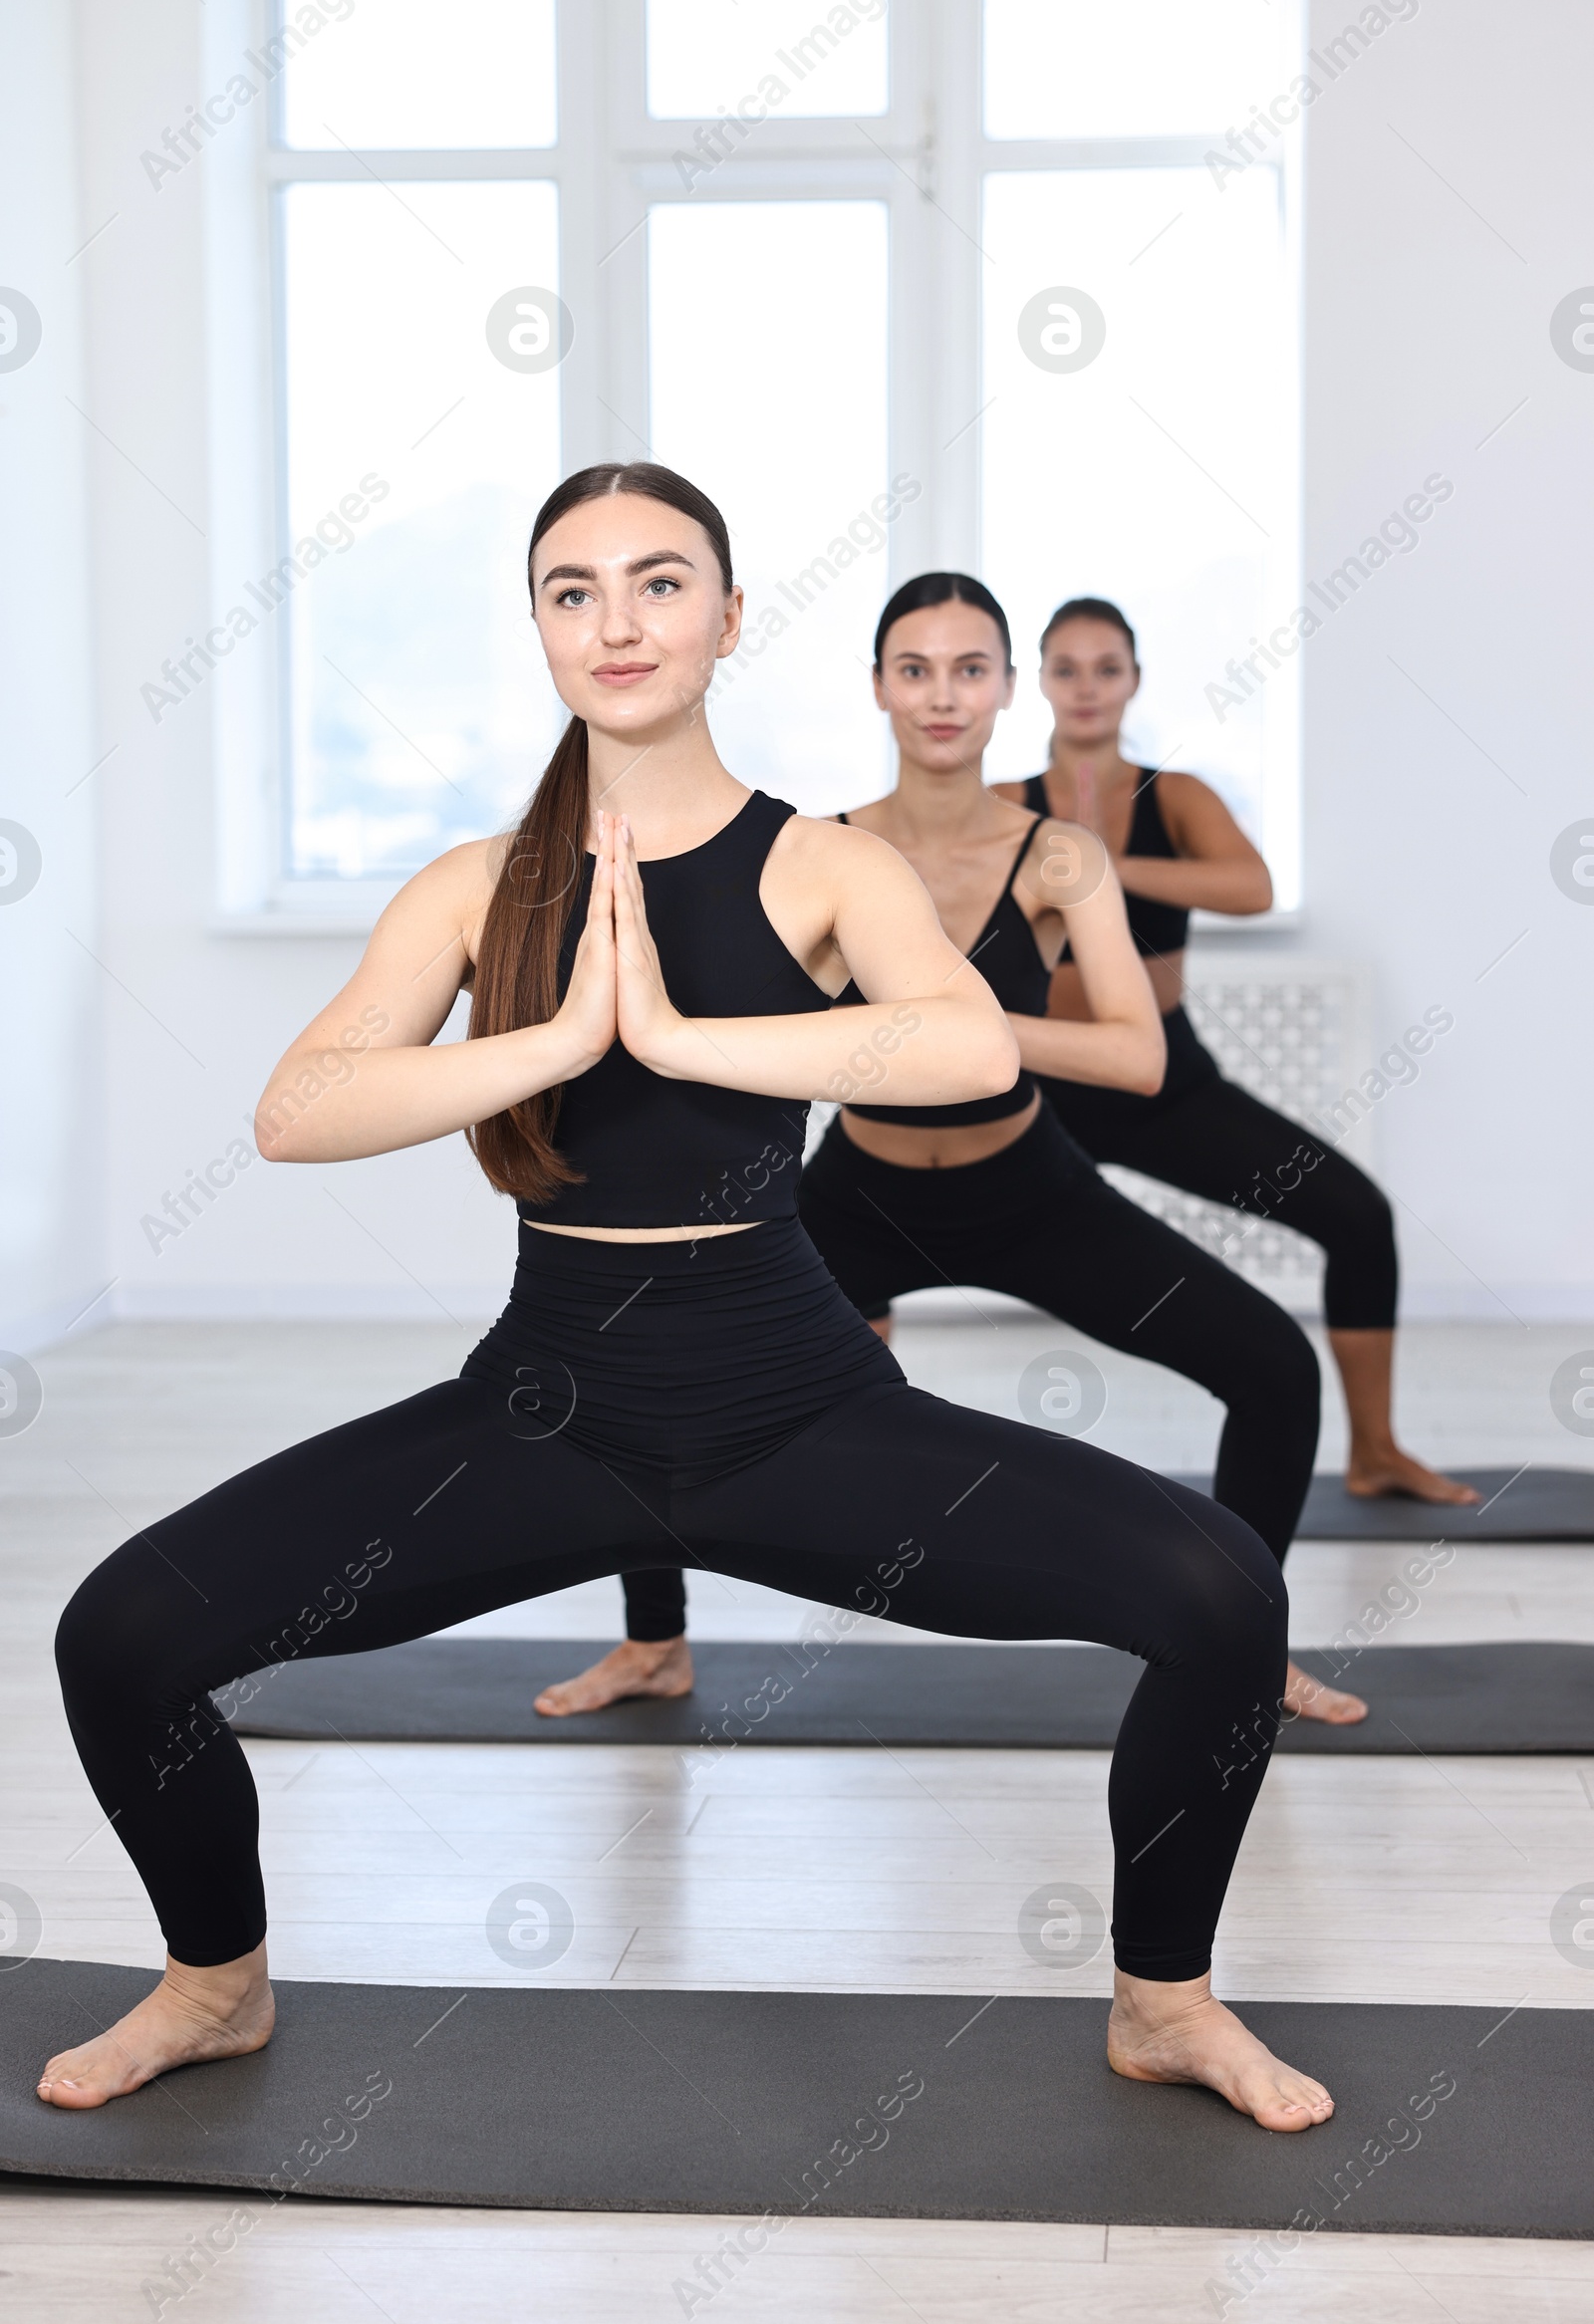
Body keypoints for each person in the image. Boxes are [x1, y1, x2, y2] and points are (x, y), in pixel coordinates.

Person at [44, 465, 1332, 2135]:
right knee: (119, 1634)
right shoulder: (470, 883)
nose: (618, 619)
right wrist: (558, 1039)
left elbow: (959, 1041)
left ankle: (1166, 1997)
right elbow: (297, 1114)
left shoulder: (816, 863)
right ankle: (218, 1973)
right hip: (548, 1409)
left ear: (727, 619)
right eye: (573, 589)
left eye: (660, 582)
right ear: (541, 631)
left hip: (799, 1406)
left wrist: (686, 1038)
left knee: (1225, 1591)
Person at [539, 574, 1361, 1728]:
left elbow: (1136, 1058)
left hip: (1027, 1185)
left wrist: (949, 1023)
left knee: (1273, 1366)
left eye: (969, 669)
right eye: (914, 669)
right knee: (647, 1348)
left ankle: (1252, 1651)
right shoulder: (818, 848)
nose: (941, 695)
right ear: (879, 686)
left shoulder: (1057, 855)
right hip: (860, 1191)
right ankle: (655, 1643)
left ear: (1006, 690)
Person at [994, 597, 1475, 1510]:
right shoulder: (1001, 803)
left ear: (1133, 680)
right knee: (858, 1232)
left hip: (1163, 1078)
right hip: (1039, 1089)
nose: (1088, 686)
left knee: (1358, 1215)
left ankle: (1374, 1449)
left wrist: (1094, 866)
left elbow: (1248, 885)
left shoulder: (1176, 795)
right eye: (1067, 668)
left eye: (1107, 667)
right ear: (1036, 683)